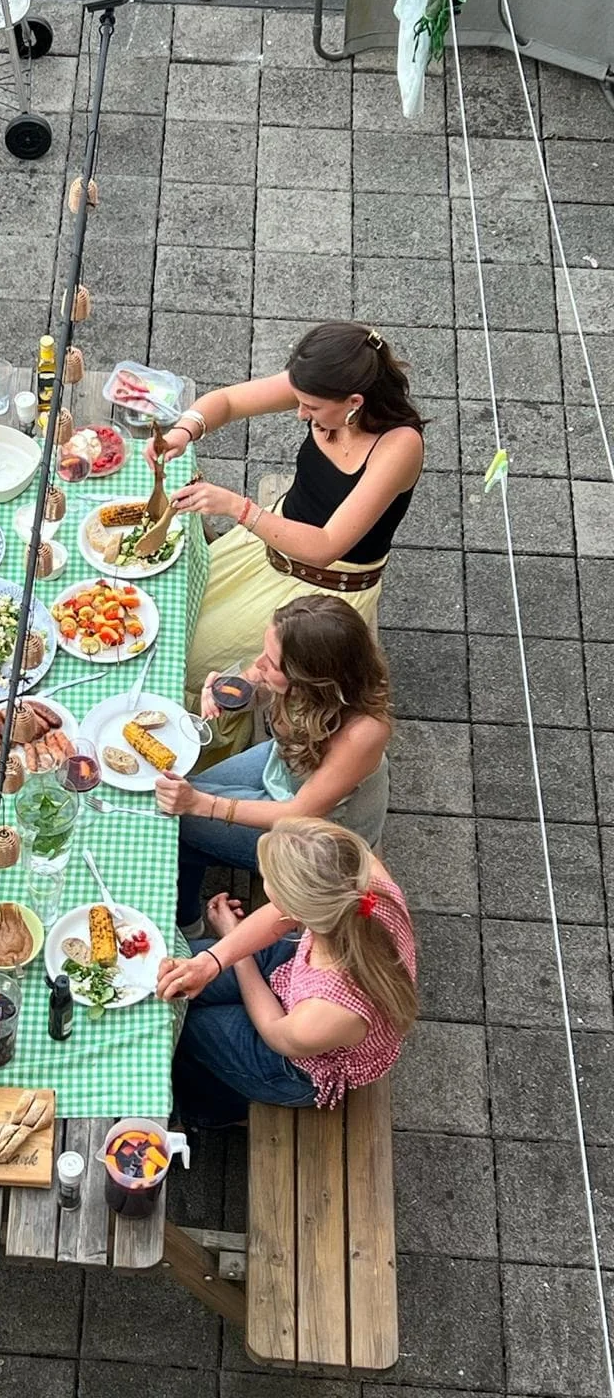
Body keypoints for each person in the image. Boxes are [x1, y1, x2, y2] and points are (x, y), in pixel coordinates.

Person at [145, 321, 424, 725]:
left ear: (355, 402)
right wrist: (184, 432)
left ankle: (205, 741)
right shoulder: (328, 381)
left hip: (319, 590)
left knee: (183, 659)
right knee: (165, 612)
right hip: (266, 545)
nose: (299, 413)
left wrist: (237, 508)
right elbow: (227, 402)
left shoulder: (399, 447)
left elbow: (327, 545)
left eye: (311, 408)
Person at [155, 597, 392, 937]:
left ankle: (189, 925)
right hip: (283, 764)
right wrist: (227, 690)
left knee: (180, 821)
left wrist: (201, 805)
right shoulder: (301, 670)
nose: (259, 663)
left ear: (312, 678)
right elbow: (253, 683)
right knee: (180, 796)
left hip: (320, 834)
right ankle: (189, 908)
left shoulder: (363, 732)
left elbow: (300, 812)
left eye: (273, 664)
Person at [157, 817, 417, 1127]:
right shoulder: (360, 876)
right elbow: (281, 912)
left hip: (293, 1063)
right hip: (294, 972)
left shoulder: (329, 1012)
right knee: (178, 980)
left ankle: (211, 1111)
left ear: (297, 912)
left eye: (270, 882)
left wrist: (237, 951)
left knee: (184, 1027)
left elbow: (275, 1031)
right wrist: (212, 960)